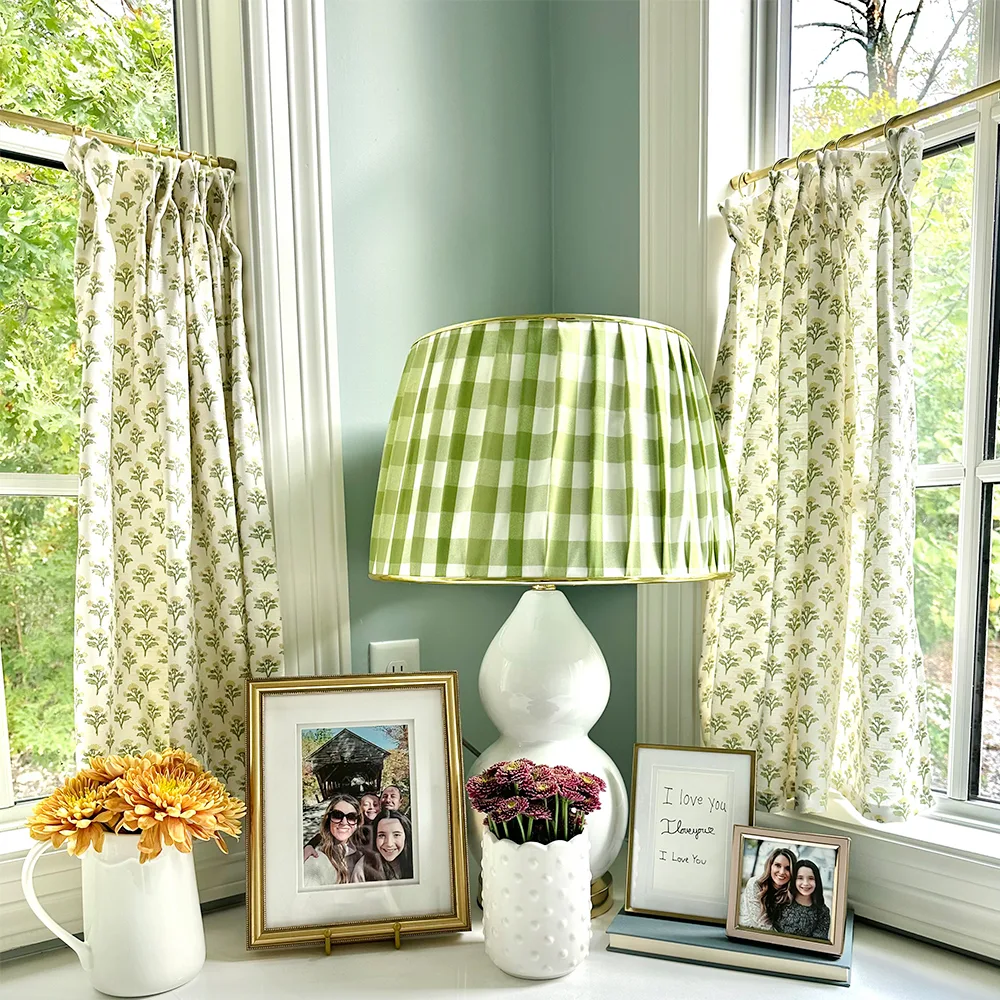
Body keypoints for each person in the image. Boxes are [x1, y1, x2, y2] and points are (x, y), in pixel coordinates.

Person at [303, 794, 362, 887]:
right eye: (337, 815)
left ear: (357, 822)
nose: (344, 822)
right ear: (328, 820)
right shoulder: (316, 860)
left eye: (351, 817)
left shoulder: (363, 848)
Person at [739, 846, 796, 929]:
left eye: (787, 868)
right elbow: (760, 923)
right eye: (778, 865)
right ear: (770, 866)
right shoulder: (755, 884)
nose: (782, 872)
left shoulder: (792, 892)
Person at [774, 859, 831, 940]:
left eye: (811, 878)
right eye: (800, 878)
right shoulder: (781, 900)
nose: (805, 883)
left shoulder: (822, 911)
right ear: (794, 880)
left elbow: (818, 943)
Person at [352, 810, 413, 882]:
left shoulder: (417, 862)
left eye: (396, 835)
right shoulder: (363, 868)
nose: (389, 844)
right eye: (381, 835)